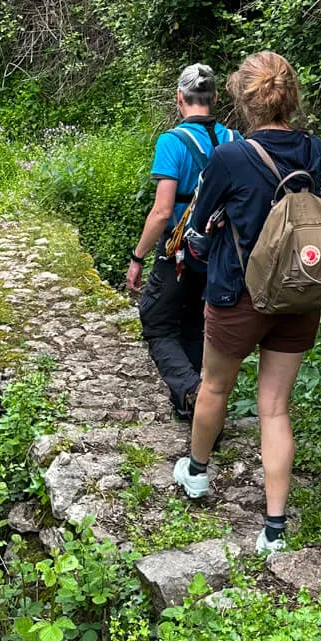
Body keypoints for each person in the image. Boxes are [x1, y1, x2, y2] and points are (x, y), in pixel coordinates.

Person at [173, 51, 321, 556]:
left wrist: (207, 234)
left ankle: (196, 473)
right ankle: (275, 529)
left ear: (241, 100)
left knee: (215, 385)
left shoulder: (229, 157)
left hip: (237, 293)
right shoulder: (312, 149)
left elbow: (197, 229)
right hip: (298, 292)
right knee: (275, 408)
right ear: (291, 98)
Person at [127, 63, 238, 420]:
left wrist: (137, 256)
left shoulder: (172, 142)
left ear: (179, 99)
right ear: (215, 98)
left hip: (178, 251)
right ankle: (190, 408)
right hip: (221, 251)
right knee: (194, 323)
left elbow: (162, 212)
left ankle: (194, 394)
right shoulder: (236, 140)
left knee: (156, 322)